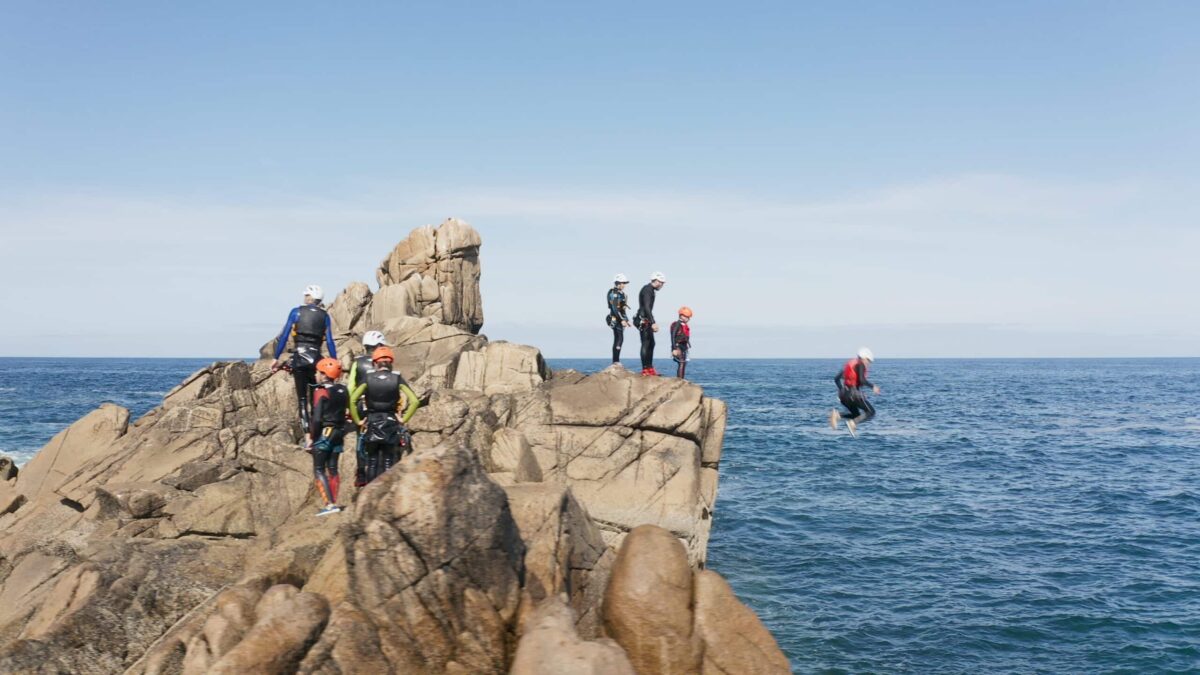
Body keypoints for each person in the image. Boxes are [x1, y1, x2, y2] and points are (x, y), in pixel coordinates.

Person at [271, 285, 338, 432]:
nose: (304, 297)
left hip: (299, 359)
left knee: (302, 400)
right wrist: (335, 361)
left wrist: (276, 357)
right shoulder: (324, 316)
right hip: (316, 361)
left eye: (306, 295)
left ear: (310, 297)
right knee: (315, 399)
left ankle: (307, 435)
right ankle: (317, 432)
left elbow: (284, 336)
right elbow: (330, 341)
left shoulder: (296, 312)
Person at [350, 346, 420, 484]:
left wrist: (358, 421)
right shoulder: (397, 378)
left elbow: (352, 399)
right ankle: (386, 496)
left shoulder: (368, 378)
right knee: (389, 461)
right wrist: (403, 419)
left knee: (372, 461)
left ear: (375, 363)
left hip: (372, 421)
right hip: (390, 422)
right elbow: (415, 401)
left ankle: (369, 496)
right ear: (390, 363)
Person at [347, 330, 389, 487]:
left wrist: (348, 408)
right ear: (378, 345)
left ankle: (361, 474)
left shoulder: (357, 362)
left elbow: (351, 387)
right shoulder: (384, 362)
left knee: (361, 438)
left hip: (360, 405)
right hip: (379, 405)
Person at [309, 357, 349, 516]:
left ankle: (329, 504)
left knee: (319, 469)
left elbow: (317, 419)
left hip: (325, 433)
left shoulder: (320, 392)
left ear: (324, 374)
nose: (316, 375)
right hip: (339, 432)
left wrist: (312, 437)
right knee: (333, 468)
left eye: (317, 372)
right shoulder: (343, 389)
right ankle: (334, 503)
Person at [830, 348, 880, 436]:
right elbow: (862, 380)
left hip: (844, 395)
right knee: (871, 412)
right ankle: (852, 423)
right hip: (853, 395)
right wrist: (873, 387)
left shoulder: (849, 365)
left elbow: (836, 379)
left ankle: (838, 416)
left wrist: (842, 390)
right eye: (868, 360)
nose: (868, 363)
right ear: (864, 358)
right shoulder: (861, 364)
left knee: (856, 414)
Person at [634, 272, 666, 376]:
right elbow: (647, 307)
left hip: (646, 318)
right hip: (643, 320)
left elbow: (647, 308)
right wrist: (653, 322)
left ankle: (650, 368)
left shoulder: (650, 290)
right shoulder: (647, 290)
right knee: (646, 343)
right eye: (661, 283)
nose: (662, 285)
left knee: (651, 343)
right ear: (656, 281)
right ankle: (645, 369)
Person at [606, 274, 631, 364]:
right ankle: (616, 361)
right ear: (618, 283)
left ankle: (616, 361)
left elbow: (622, 309)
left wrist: (626, 319)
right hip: (615, 319)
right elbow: (614, 309)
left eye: (624, 283)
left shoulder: (622, 294)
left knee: (619, 338)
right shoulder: (614, 293)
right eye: (622, 283)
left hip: (620, 319)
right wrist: (622, 320)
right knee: (619, 338)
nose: (624, 285)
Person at [670, 306, 693, 379]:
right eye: (686, 317)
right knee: (682, 362)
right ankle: (680, 380)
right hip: (677, 346)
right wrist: (674, 348)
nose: (688, 319)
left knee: (683, 363)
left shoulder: (684, 325)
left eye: (688, 317)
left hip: (683, 347)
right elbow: (673, 335)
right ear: (681, 316)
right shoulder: (677, 324)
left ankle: (681, 379)